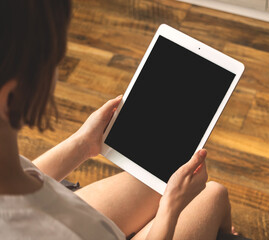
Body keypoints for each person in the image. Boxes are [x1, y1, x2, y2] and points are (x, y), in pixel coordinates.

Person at [0, 0, 236, 239]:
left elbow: (20, 175)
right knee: (212, 194)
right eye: (53, 61)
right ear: (11, 98)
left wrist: (82, 145)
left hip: (53, 211)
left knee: (157, 181)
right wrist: (170, 208)